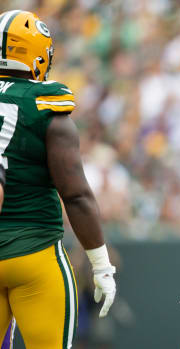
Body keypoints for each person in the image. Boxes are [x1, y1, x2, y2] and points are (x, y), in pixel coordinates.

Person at [0, 10, 117, 349]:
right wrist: (101, 265)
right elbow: (76, 194)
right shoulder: (44, 104)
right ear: (38, 56)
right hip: (34, 255)